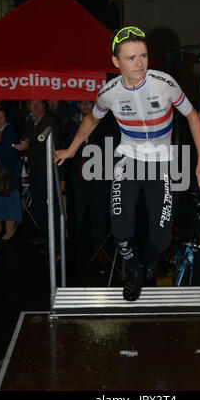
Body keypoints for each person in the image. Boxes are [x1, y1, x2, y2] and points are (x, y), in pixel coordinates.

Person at [55, 26, 200, 301]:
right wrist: (70, 149)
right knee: (122, 230)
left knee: (162, 240)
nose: (140, 64)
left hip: (161, 162)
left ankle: (149, 258)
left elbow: (192, 116)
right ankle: (134, 268)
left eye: (143, 55)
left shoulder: (164, 83)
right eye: (131, 58)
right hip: (128, 159)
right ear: (116, 62)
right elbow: (92, 119)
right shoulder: (109, 93)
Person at [64, 100, 120, 283]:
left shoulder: (106, 124)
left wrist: (107, 166)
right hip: (78, 179)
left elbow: (115, 148)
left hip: (98, 178)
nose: (86, 107)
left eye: (89, 103)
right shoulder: (71, 123)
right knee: (76, 214)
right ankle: (73, 251)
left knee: (98, 215)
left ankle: (99, 251)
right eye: (83, 104)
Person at [14, 100, 64, 252]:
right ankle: (44, 235)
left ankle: (55, 243)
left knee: (51, 208)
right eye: (32, 105)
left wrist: (28, 146)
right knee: (39, 206)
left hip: (49, 171)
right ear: (28, 106)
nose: (34, 108)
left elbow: (53, 147)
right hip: (35, 171)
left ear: (44, 106)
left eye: (38, 105)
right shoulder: (30, 121)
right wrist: (23, 145)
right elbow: (27, 138)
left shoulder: (51, 122)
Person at [0, 108, 22, 241]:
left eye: (1, 117)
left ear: (6, 119)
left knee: (9, 204)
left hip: (7, 176)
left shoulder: (9, 132)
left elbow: (12, 157)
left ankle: (10, 230)